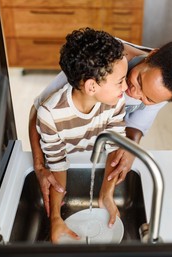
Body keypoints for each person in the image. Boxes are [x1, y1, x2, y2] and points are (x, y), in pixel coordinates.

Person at [29, 31, 172, 220]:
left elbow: (133, 129)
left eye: (148, 98)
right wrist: (39, 166)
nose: (132, 93)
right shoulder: (102, 59)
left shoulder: (165, 88)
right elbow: (40, 111)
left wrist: (130, 150)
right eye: (138, 80)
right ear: (151, 55)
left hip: (95, 140)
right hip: (63, 140)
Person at [35, 27, 128, 243]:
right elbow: (57, 165)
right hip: (70, 161)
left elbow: (115, 148)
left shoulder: (115, 102)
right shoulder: (50, 114)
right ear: (91, 86)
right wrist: (56, 218)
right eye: (120, 81)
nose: (126, 86)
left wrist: (106, 194)